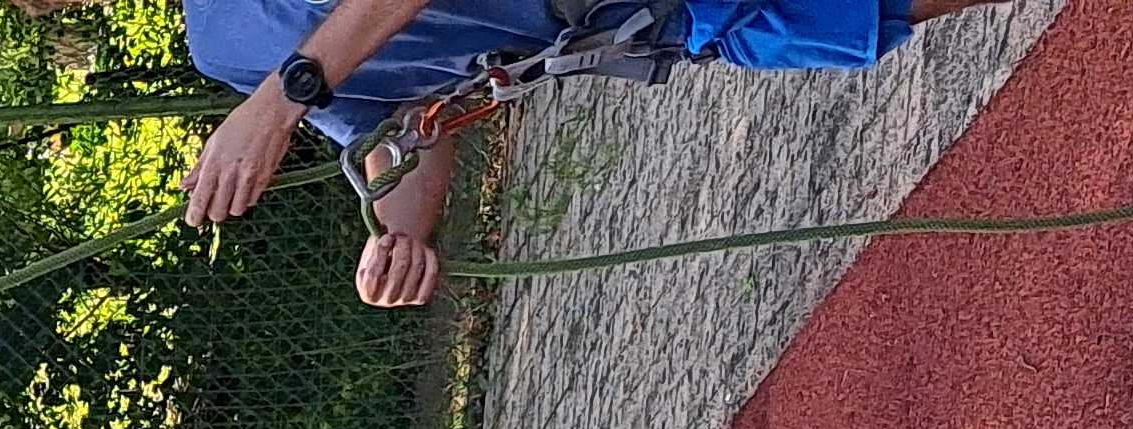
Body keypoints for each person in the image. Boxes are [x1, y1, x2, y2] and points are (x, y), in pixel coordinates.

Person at [139, 0, 1026, 308]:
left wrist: (282, 97)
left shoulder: (264, 82)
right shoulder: (220, 49)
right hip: (650, 24)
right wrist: (398, 229)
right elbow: (411, 119)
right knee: (883, 15)